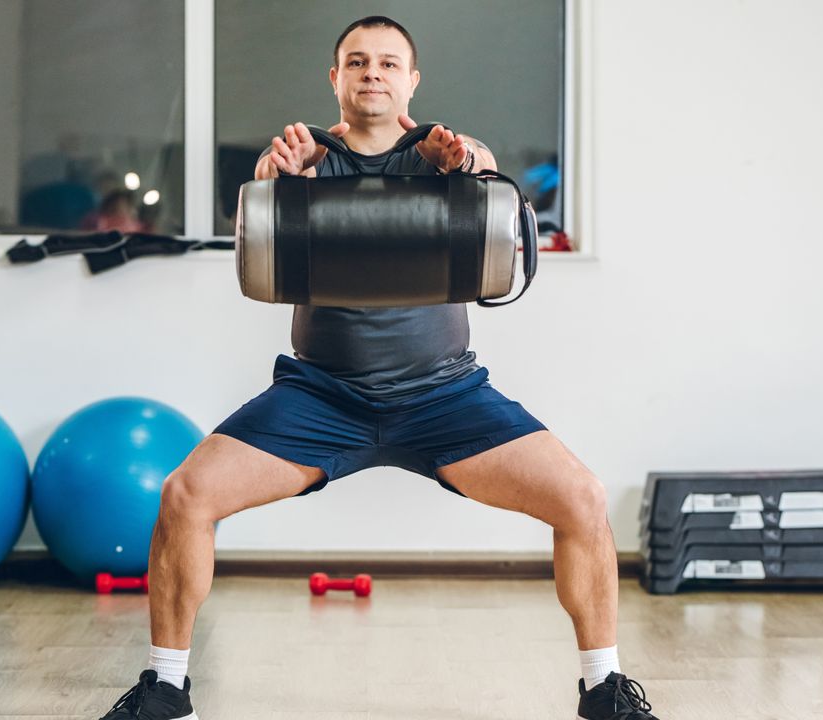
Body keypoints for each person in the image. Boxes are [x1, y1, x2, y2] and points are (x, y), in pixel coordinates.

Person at [97, 16, 661, 720]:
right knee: (185, 495)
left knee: (582, 497)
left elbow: (484, 168)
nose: (373, 72)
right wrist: (280, 174)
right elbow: (264, 195)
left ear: (411, 81)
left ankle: (603, 688)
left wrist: (469, 158)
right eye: (357, 61)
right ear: (334, 79)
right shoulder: (310, 158)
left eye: (389, 63)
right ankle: (167, 687)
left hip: (445, 396)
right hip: (320, 397)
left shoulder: (437, 155)